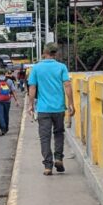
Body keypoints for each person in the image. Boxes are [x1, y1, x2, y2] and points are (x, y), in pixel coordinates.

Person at [26, 43, 75, 176]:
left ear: (44, 52)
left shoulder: (36, 68)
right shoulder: (61, 67)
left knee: (45, 137)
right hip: (58, 108)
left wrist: (31, 104)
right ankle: (58, 158)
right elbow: (68, 86)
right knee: (59, 133)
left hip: (43, 109)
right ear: (55, 53)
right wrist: (71, 103)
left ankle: (48, 166)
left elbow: (32, 88)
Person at [0, 69, 19, 135]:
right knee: (6, 114)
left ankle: (2, 128)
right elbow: (13, 91)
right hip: (7, 100)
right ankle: (6, 128)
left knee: (0, 114)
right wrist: (16, 100)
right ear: (5, 73)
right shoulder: (9, 81)